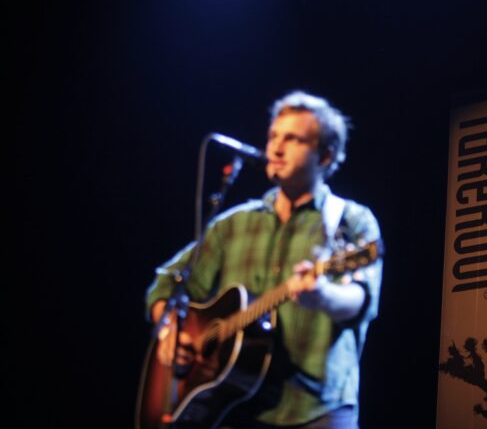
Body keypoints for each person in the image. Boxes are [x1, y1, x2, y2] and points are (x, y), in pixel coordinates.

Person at [144, 91, 383, 429]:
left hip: (317, 410)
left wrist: (322, 296)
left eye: (293, 139)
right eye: (273, 136)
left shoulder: (351, 220)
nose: (276, 148)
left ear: (325, 156)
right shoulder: (233, 225)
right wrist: (170, 331)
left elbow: (361, 299)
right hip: (235, 408)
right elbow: (167, 284)